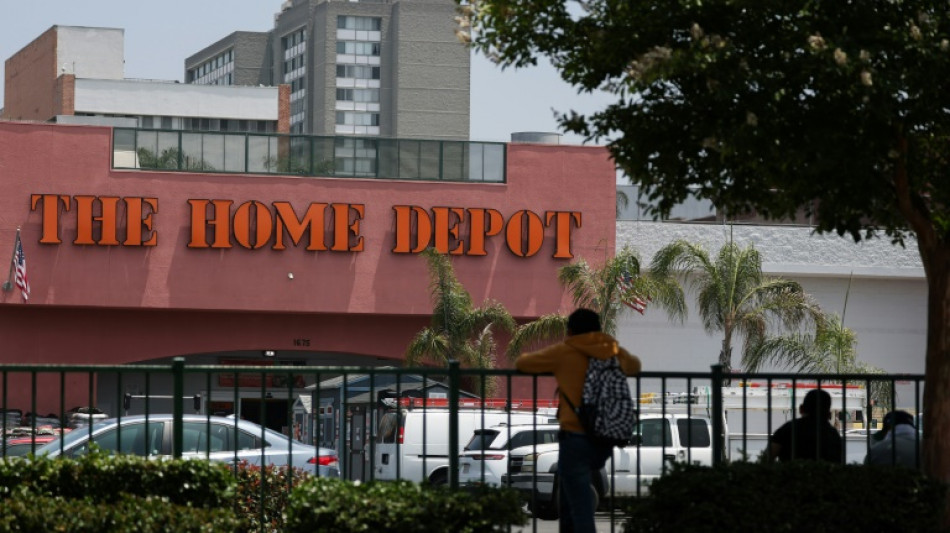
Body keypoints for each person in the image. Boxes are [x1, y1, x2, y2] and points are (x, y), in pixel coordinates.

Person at [515, 308, 641, 533]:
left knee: (580, 503)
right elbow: (635, 366)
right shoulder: (612, 351)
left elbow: (523, 364)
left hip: (575, 436)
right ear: (598, 330)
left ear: (571, 331)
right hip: (604, 438)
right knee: (568, 492)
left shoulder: (564, 352)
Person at [767, 388, 842, 463]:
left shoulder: (787, 430)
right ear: (828, 415)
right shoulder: (833, 435)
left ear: (801, 409)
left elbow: (766, 459)